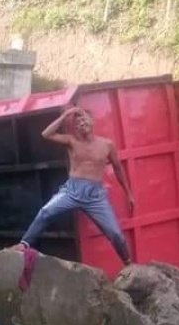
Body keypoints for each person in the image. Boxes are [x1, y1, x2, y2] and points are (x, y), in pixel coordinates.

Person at [19, 106, 135, 265]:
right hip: (72, 190)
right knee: (46, 211)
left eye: (84, 119)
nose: (81, 123)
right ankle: (24, 244)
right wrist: (66, 114)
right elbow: (46, 134)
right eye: (77, 121)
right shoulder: (71, 141)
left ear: (92, 122)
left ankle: (128, 263)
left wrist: (129, 194)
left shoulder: (107, 145)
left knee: (115, 234)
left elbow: (118, 169)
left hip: (96, 195)